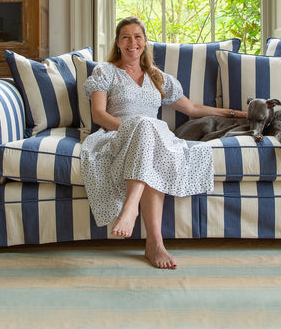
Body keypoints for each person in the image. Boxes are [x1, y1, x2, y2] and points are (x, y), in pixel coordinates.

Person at [81, 16, 247, 269]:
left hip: (154, 139)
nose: (132, 42)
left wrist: (235, 113)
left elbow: (192, 109)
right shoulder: (106, 72)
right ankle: (148, 234)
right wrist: (133, 129)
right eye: (126, 36)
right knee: (145, 126)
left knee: (151, 135)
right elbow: (99, 115)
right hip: (117, 136)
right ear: (117, 42)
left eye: (137, 36)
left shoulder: (157, 76)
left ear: (145, 42)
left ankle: (147, 232)